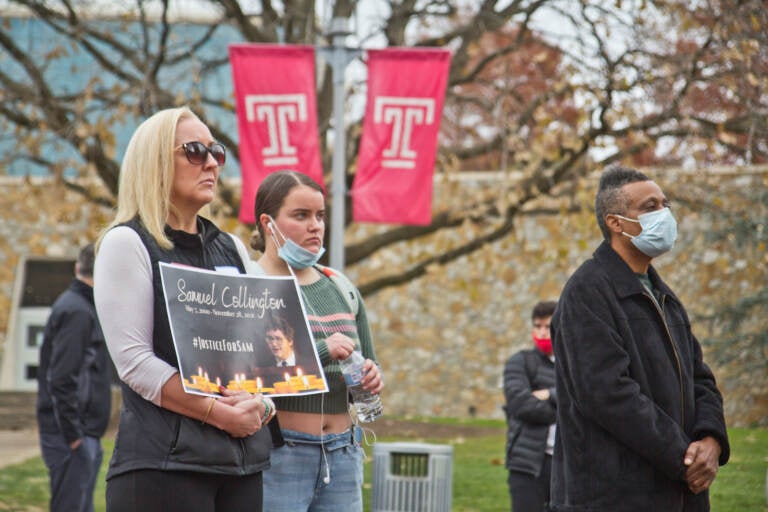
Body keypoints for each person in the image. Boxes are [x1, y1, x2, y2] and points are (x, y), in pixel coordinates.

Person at [93, 106, 274, 512]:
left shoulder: (233, 249)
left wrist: (263, 406)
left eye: (217, 151)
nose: (211, 162)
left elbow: (264, 359)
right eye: (194, 150)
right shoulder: (128, 243)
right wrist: (219, 414)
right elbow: (135, 364)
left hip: (241, 467)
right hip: (165, 468)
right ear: (155, 161)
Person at [549, 166, 730, 511]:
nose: (664, 214)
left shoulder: (663, 296)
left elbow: (700, 379)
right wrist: (684, 458)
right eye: (650, 207)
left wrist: (711, 440)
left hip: (680, 494)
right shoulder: (587, 293)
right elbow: (608, 394)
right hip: (615, 497)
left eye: (665, 204)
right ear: (616, 223)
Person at [249, 170, 383, 511]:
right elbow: (247, 375)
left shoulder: (339, 285)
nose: (316, 226)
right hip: (280, 453)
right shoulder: (248, 286)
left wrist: (371, 376)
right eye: (301, 215)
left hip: (344, 451)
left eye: (320, 215)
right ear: (268, 223)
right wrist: (323, 351)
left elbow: (368, 360)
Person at [36, 243, 112, 512]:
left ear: (77, 267)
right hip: (72, 434)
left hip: (81, 432)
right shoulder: (78, 311)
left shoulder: (81, 306)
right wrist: (74, 435)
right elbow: (61, 378)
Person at [502, 300, 558, 512]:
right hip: (527, 465)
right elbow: (520, 403)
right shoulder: (520, 362)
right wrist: (563, 410)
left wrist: (550, 394)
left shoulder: (572, 365)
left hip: (567, 467)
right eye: (537, 326)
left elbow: (588, 397)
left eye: (548, 326)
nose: (542, 332)